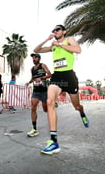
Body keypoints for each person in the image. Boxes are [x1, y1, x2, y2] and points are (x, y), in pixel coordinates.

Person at [33, 24, 89, 155]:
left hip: (69, 76)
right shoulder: (53, 45)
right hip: (57, 76)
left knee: (76, 106)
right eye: (53, 30)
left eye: (57, 29)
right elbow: (37, 49)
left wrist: (60, 45)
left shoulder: (68, 39)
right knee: (50, 100)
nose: (55, 31)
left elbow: (78, 50)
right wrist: (48, 39)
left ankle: (82, 112)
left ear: (63, 31)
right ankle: (54, 141)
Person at [25, 53, 52, 137]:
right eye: (33, 57)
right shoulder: (32, 69)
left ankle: (52, 108)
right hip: (36, 91)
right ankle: (34, 129)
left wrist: (42, 78)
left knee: (45, 110)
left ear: (39, 58)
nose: (34, 59)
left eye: (35, 57)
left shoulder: (43, 65)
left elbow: (50, 74)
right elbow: (33, 78)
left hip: (44, 91)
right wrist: (29, 82)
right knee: (33, 108)